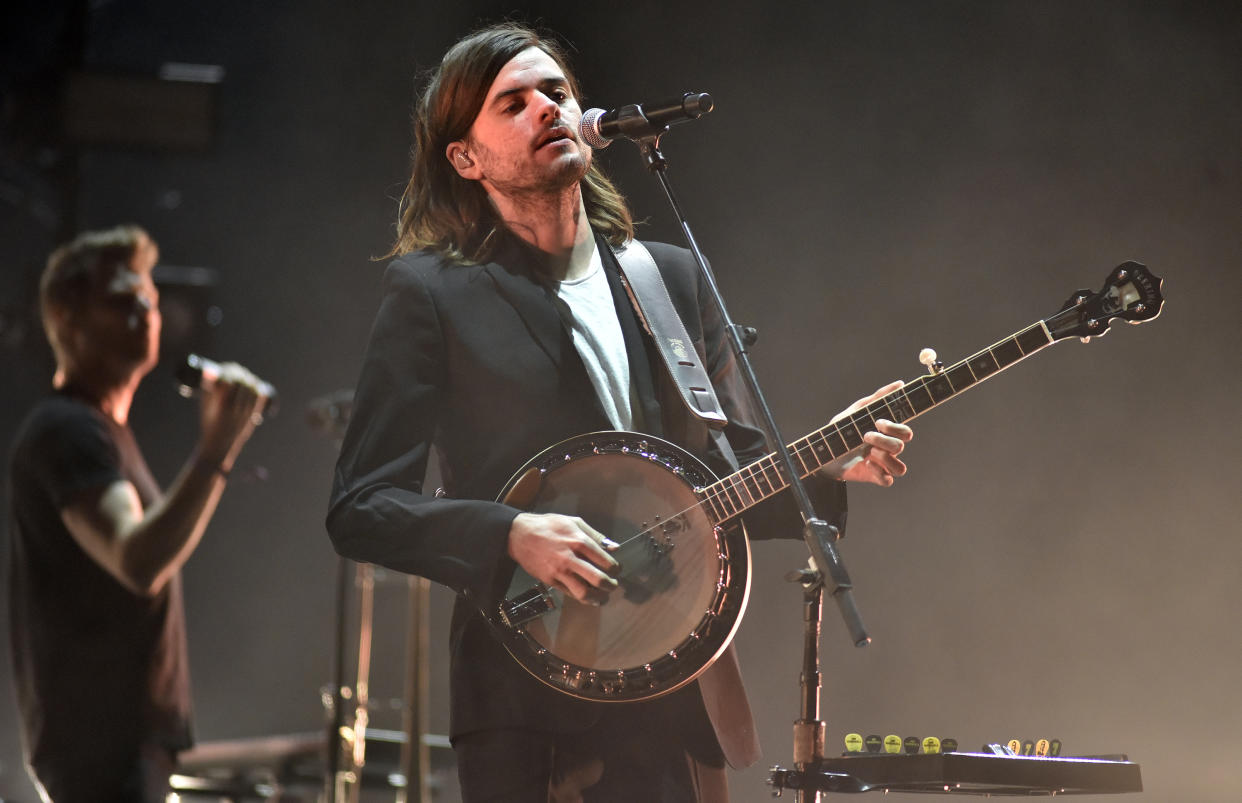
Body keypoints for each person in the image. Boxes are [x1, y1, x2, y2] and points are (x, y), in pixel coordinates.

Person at [326, 23, 913, 803]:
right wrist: (509, 533)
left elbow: (720, 484)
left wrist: (829, 465)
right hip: (527, 692)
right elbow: (361, 507)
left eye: (557, 92)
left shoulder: (668, 276)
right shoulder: (433, 294)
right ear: (465, 158)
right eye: (513, 102)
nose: (546, 108)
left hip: (672, 676)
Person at [6, 225, 268, 802]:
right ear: (69, 321)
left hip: (119, 749)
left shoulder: (102, 432)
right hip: (101, 751)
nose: (146, 311)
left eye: (148, 298)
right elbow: (138, 560)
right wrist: (217, 450)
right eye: (123, 300)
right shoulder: (67, 430)